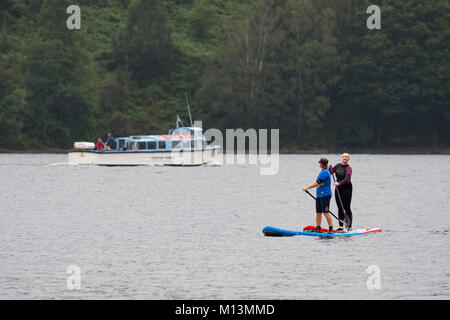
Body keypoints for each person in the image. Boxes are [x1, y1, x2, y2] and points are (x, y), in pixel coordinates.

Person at [302, 157, 334, 233]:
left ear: (321, 164)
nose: (319, 165)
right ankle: (318, 228)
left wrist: (307, 187)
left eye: (320, 163)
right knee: (318, 212)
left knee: (326, 212)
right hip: (319, 195)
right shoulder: (325, 170)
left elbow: (317, 183)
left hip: (325, 195)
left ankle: (331, 229)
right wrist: (328, 166)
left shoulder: (324, 173)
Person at [329, 153, 353, 231]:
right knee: (339, 207)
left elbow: (347, 179)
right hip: (338, 188)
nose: (345, 160)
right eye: (344, 158)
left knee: (346, 207)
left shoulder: (349, 168)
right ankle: (341, 227)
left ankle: (349, 226)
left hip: (347, 189)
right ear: (341, 159)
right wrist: (329, 168)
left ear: (348, 160)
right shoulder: (338, 166)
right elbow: (330, 172)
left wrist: (339, 183)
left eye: (346, 159)